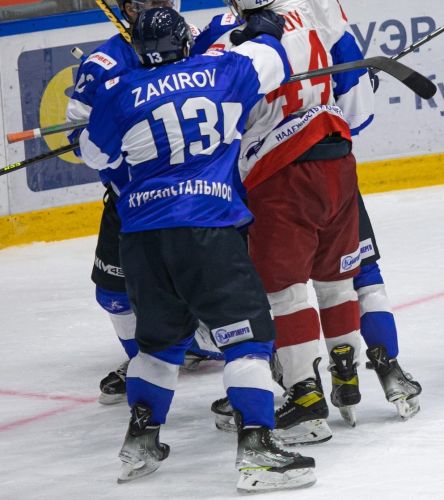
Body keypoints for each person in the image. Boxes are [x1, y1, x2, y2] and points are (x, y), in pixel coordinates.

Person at [79, 6, 317, 493]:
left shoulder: (118, 91)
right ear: (184, 44)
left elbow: (93, 153)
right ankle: (258, 450)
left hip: (141, 237)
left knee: (158, 346)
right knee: (248, 339)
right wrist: (261, 28)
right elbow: (272, 56)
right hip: (207, 227)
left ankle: (140, 442)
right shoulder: (221, 71)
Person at [201, 0, 421, 435]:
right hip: (335, 159)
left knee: (280, 292)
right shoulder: (316, 12)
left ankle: (298, 391)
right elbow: (359, 113)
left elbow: (213, 119)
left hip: (275, 175)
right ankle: (358, 372)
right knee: (347, 276)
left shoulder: (222, 35)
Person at [66, 0, 221, 404]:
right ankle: (145, 359)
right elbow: (80, 136)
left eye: (160, 1)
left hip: (200, 194)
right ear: (125, 7)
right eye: (141, 2)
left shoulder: (198, 40)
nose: (152, 8)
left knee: (223, 285)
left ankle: (238, 347)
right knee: (113, 293)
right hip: (131, 201)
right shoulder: (102, 64)